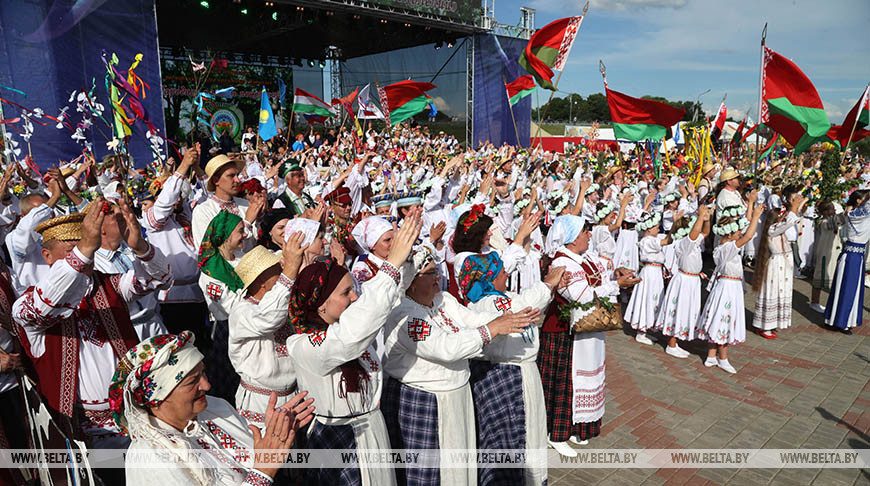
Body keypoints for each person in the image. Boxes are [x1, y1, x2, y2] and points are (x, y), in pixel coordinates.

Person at [12, 198, 172, 469]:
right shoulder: (29, 306)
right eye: (72, 254)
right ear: (47, 257)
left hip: (132, 420)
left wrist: (141, 248)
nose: (82, 262)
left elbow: (160, 279)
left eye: (86, 252)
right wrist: (84, 249)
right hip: (78, 435)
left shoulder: (110, 286)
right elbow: (43, 305)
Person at [382, 248, 538, 486]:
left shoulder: (444, 300)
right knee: (433, 474)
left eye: (436, 272)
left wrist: (511, 318)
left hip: (456, 397)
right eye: (430, 273)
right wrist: (493, 328)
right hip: (427, 403)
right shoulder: (404, 317)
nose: (438, 278)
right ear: (410, 282)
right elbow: (446, 347)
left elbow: (472, 321)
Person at [284, 213, 420, 485]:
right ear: (320, 303)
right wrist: (391, 265)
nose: (355, 296)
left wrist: (402, 260)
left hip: (372, 430)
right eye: (346, 292)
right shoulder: (302, 344)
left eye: (353, 289)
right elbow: (348, 339)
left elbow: (385, 299)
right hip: (339, 436)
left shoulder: (349, 320)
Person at [111, 331, 316, 486]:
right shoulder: (150, 457)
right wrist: (263, 473)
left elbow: (249, 460)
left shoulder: (216, 408)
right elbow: (259, 470)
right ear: (158, 397)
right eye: (192, 382)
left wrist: (271, 433)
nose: (207, 385)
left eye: (204, 373)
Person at [460, 252, 564, 486]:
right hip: (507, 377)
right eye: (500, 271)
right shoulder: (489, 302)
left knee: (519, 435)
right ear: (488, 278)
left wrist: (550, 290)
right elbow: (519, 306)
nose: (506, 273)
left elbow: (527, 304)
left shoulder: (499, 297)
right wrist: (547, 284)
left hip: (514, 372)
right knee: (512, 436)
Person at [539, 215, 637, 457]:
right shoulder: (563, 263)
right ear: (573, 238)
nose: (589, 235)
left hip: (586, 330)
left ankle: (576, 428)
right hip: (564, 331)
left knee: (581, 379)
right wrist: (616, 286)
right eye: (585, 231)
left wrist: (616, 276)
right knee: (564, 382)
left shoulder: (584, 257)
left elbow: (599, 279)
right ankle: (555, 433)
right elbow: (580, 295)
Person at [228, 238, 305, 426]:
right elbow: (269, 318)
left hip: (292, 395)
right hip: (259, 401)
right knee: (264, 453)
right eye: (277, 271)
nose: (282, 273)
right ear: (261, 280)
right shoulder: (242, 311)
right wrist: (289, 273)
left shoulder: (283, 301)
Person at [697, 198, 763, 373]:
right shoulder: (726, 248)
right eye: (737, 231)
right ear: (730, 233)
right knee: (724, 318)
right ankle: (723, 358)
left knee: (719, 317)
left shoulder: (725, 246)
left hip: (728, 286)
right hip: (727, 288)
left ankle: (711, 355)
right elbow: (749, 236)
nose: (740, 233)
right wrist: (755, 216)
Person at [197, 210, 248, 404]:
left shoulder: (241, 258)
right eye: (240, 231)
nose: (246, 235)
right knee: (230, 385)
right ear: (226, 237)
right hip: (228, 330)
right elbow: (230, 305)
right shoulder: (210, 272)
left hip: (249, 322)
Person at [751, 194, 805, 338]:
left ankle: (772, 323)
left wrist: (799, 205)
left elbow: (792, 221)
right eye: (781, 217)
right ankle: (764, 325)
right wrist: (793, 207)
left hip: (784, 265)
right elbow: (787, 223)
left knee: (782, 293)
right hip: (776, 266)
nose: (783, 219)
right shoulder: (772, 230)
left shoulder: (779, 229)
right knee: (772, 292)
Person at [191, 154, 264, 253]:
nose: (238, 180)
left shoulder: (245, 204)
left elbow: (252, 244)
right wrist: (247, 223)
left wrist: (258, 218)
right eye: (231, 176)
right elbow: (208, 252)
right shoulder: (203, 211)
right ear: (216, 180)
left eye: (237, 175)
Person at [824, 190, 870, 334]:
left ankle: (838, 319)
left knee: (847, 289)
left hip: (854, 255)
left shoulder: (857, 213)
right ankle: (840, 321)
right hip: (852, 255)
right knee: (848, 290)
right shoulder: (860, 214)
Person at [624, 211, 669, 345]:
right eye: (656, 226)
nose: (658, 228)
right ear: (649, 229)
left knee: (654, 299)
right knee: (647, 298)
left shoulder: (652, 239)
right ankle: (641, 331)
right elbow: (666, 241)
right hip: (650, 273)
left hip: (656, 273)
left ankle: (648, 326)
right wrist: (675, 225)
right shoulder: (646, 241)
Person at [810, 201, 842, 313]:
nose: (835, 211)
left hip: (833, 252)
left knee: (832, 276)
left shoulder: (831, 220)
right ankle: (814, 302)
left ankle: (832, 303)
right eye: (832, 209)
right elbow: (840, 220)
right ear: (826, 211)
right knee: (820, 276)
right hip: (825, 253)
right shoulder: (823, 222)